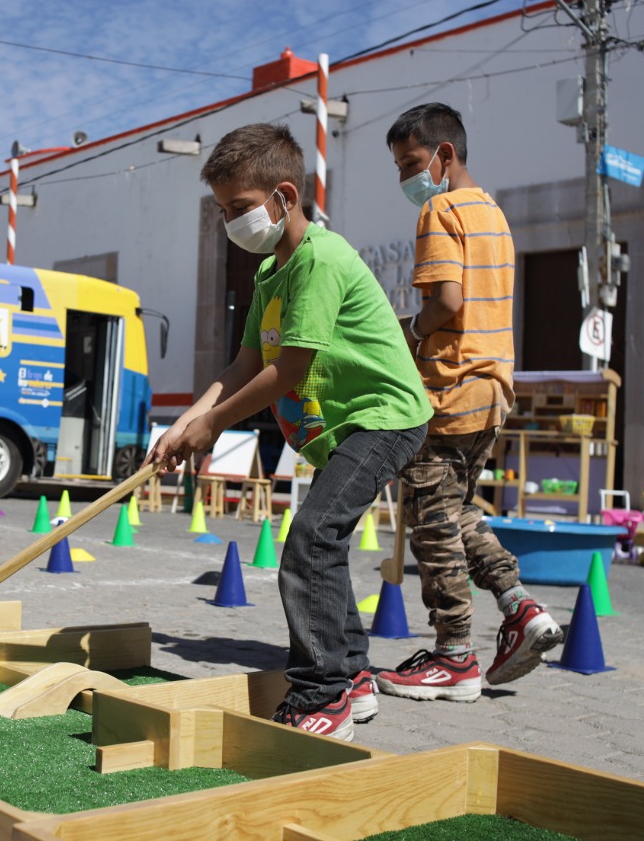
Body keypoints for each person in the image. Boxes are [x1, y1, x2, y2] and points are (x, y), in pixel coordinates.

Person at [147, 124, 431, 741]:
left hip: (386, 414)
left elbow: (289, 369)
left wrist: (214, 426)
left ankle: (320, 695)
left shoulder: (321, 259)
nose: (231, 222)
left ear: (283, 196)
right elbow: (244, 365)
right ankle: (350, 679)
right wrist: (185, 424)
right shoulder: (270, 275)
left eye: (240, 208)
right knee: (321, 543)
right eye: (223, 212)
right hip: (343, 428)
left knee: (309, 541)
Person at [376, 103, 563, 703]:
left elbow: (447, 303)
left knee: (429, 520)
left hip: (448, 388)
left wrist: (405, 332)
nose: (407, 178)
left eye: (411, 163)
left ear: (444, 155)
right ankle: (519, 607)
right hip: (493, 390)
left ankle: (454, 654)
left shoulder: (442, 207)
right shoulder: (495, 216)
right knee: (452, 510)